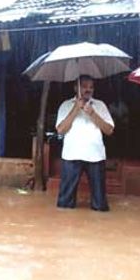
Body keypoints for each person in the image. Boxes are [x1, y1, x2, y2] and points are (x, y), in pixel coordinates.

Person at [55, 75, 114, 211]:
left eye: (91, 87)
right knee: (65, 204)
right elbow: (60, 130)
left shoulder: (100, 105)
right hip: (71, 155)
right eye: (84, 86)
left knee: (100, 205)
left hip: (95, 156)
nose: (88, 90)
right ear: (76, 87)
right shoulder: (65, 105)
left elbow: (109, 130)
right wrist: (76, 109)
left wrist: (93, 113)